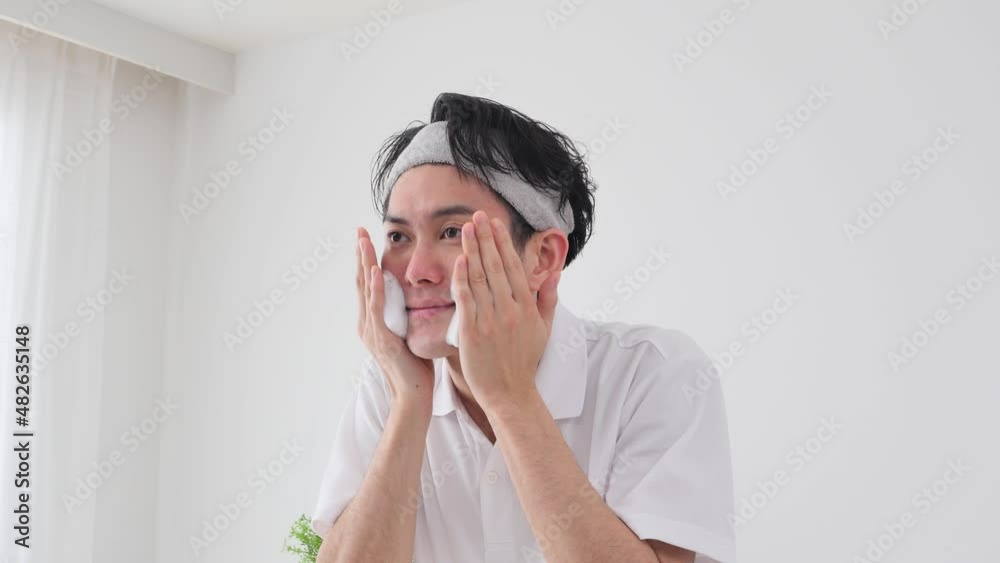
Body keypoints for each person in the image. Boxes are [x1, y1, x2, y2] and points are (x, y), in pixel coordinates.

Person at [310, 92, 736, 563]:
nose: (416, 271)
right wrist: (409, 404)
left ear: (543, 258)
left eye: (452, 232)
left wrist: (509, 397)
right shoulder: (388, 388)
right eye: (398, 237)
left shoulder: (652, 373)